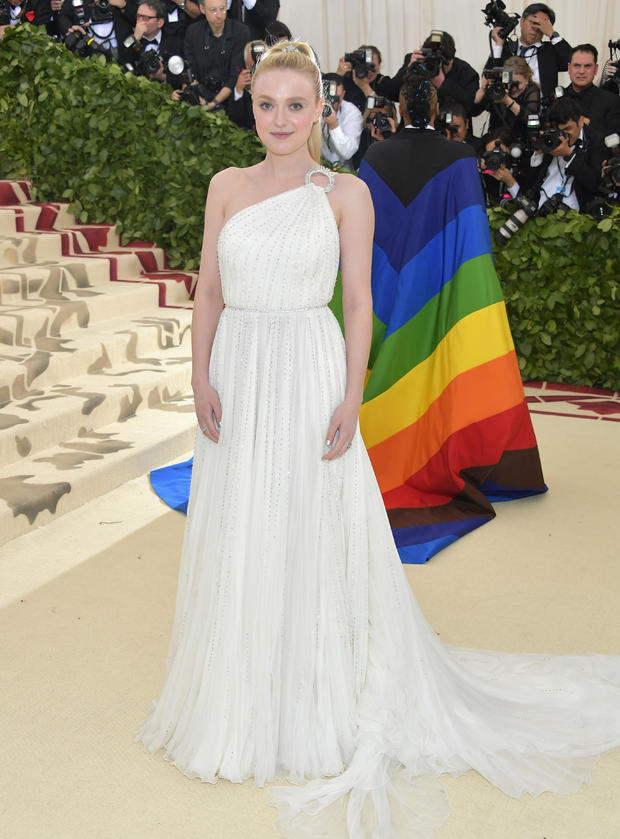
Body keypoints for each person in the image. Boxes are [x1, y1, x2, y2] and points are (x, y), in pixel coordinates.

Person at [137, 41, 620, 839]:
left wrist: (350, 394)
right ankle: (245, 689)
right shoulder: (224, 186)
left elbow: (360, 304)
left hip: (309, 367)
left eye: (297, 105)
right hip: (239, 370)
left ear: (321, 109)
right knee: (245, 524)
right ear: (250, 108)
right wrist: (199, 379)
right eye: (267, 105)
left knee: (310, 524)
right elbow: (209, 291)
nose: (281, 120)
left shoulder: (346, 194)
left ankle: (315, 688)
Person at [526, 97, 607, 212]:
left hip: (576, 214)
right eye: (559, 130)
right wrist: (539, 152)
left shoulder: (596, 141)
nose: (564, 136)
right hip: (541, 207)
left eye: (568, 129)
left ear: (581, 121)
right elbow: (529, 182)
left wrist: (569, 155)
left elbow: (594, 183)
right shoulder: (549, 137)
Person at [488, 2, 570, 98]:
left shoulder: (550, 51)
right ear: (522, 22)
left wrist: (552, 33)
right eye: (534, 23)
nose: (535, 29)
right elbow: (490, 76)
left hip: (543, 110)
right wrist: (498, 45)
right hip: (508, 109)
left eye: (541, 25)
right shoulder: (506, 48)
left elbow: (570, 63)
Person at [181, 0, 249, 110]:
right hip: (200, 97)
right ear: (202, 9)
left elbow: (234, 75)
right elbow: (190, 69)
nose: (219, 15)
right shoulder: (193, 32)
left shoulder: (240, 32)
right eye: (213, 10)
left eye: (222, 9)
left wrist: (213, 103)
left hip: (231, 100)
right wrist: (196, 97)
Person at [474, 55, 541, 142]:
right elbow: (474, 111)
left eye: (517, 83)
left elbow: (530, 118)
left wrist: (507, 100)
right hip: (497, 138)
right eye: (511, 83)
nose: (514, 88)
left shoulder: (532, 90)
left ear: (527, 79)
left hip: (521, 138)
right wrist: (483, 89)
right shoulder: (498, 89)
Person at [563, 44, 620, 136]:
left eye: (587, 66)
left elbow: (615, 141)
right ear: (569, 68)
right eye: (577, 65)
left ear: (596, 69)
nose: (581, 71)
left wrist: (588, 123)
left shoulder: (612, 101)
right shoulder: (555, 99)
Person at [320, 72, 363, 169]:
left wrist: (334, 126)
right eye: (329, 97)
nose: (333, 103)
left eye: (336, 98)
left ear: (343, 94)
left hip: (344, 170)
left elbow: (348, 152)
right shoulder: (311, 108)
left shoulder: (352, 112)